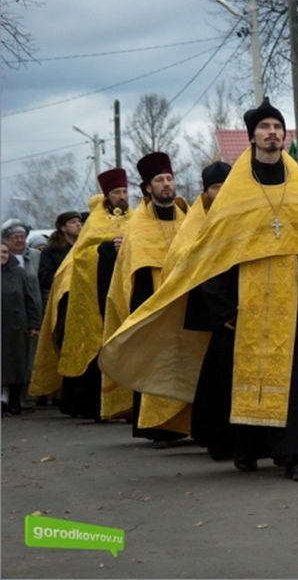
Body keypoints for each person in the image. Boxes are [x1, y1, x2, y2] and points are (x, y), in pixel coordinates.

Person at [99, 98, 298, 482]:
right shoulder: (236, 191)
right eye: (265, 127)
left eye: (277, 127)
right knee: (244, 377)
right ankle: (249, 447)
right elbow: (212, 254)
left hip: (296, 303)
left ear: (284, 137)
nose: (272, 133)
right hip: (246, 304)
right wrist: (221, 309)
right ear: (252, 136)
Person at [101, 153, 190, 447]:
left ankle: (188, 423)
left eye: (169, 179)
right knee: (157, 364)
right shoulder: (137, 227)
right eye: (159, 180)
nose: (167, 184)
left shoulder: (189, 221)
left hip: (187, 303)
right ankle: (159, 427)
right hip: (153, 305)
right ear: (148, 188)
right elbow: (130, 274)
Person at [30, 170, 133, 418]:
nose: (121, 196)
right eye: (116, 192)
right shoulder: (94, 222)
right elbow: (82, 256)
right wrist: (107, 248)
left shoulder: (136, 218)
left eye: (124, 192)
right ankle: (96, 406)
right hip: (99, 295)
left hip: (129, 292)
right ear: (107, 195)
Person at [2, 243, 42, 415]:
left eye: (5, 252)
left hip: (17, 326)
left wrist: (33, 324)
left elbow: (30, 299)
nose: (2, 255)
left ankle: (15, 400)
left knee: (17, 364)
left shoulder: (19, 273)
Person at [38, 211, 83, 306]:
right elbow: (45, 277)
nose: (78, 224)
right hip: (62, 299)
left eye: (79, 221)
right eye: (73, 222)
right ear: (63, 228)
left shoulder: (84, 248)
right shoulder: (51, 251)